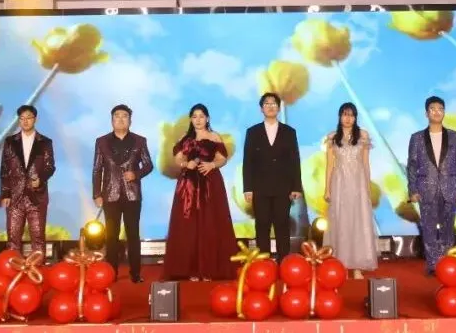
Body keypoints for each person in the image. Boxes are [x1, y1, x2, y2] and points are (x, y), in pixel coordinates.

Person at [163, 104, 239, 281]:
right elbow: (178, 158)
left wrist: (212, 165)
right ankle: (190, 269)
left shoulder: (214, 136)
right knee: (188, 225)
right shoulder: (185, 137)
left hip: (210, 183)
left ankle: (209, 269)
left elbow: (222, 159)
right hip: (188, 184)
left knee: (210, 223)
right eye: (195, 116)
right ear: (191, 119)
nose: (198, 120)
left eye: (201, 116)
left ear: (207, 118)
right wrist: (185, 164)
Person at [406, 95, 456, 276]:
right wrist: (412, 190)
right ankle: (433, 265)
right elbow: (412, 165)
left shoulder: (455, 137)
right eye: (433, 109)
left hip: (450, 187)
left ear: (444, 112)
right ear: (426, 113)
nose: (437, 112)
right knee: (429, 228)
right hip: (426, 188)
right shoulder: (417, 138)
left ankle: (447, 263)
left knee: (448, 228)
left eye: (440, 109)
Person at [92, 104, 154, 283]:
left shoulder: (140, 141)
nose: (120, 119)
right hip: (110, 194)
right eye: (117, 116)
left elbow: (148, 165)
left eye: (124, 116)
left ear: (130, 120)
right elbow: (97, 169)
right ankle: (111, 273)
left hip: (132, 194)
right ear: (112, 120)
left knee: (133, 234)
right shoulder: (101, 141)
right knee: (111, 236)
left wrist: (136, 174)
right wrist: (97, 194)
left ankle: (135, 273)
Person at [243, 92, 302, 260]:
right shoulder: (252, 132)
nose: (270, 106)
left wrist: (296, 186)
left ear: (279, 107)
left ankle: (284, 261)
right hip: (260, 187)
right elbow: (248, 161)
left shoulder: (289, 132)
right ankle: (264, 262)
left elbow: (294, 160)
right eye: (267, 104)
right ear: (261, 109)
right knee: (262, 225)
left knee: (282, 224)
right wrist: (248, 188)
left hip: (283, 187)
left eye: (274, 103)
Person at [323, 102, 378, 278]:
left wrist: (367, 187)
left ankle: (357, 266)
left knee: (358, 222)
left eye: (351, 115)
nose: (348, 118)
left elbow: (366, 163)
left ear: (355, 117)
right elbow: (330, 165)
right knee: (341, 223)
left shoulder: (363, 135)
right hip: (339, 184)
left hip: (358, 184)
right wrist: (327, 189)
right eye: (345, 115)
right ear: (340, 116)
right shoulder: (332, 137)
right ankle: (341, 265)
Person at [0, 105, 56, 255]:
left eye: (28, 118)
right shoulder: (10, 142)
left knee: (38, 237)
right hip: (15, 196)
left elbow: (50, 167)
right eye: (22, 118)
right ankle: (13, 266)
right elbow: (4, 169)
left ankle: (38, 267)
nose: (25, 121)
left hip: (37, 196)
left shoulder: (45, 142)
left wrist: (41, 179)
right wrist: (5, 193)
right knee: (13, 238)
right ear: (19, 120)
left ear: (35, 119)